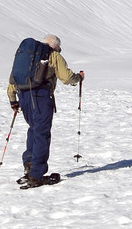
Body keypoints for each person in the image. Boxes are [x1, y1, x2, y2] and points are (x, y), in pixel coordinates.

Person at [7, 34, 84, 188]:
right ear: (55, 46)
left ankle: (29, 167)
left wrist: (13, 100)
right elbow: (66, 78)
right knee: (41, 133)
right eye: (59, 48)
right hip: (41, 97)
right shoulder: (53, 55)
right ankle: (36, 175)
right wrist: (79, 78)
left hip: (23, 96)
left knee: (34, 130)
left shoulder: (27, 56)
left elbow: (12, 79)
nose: (59, 51)